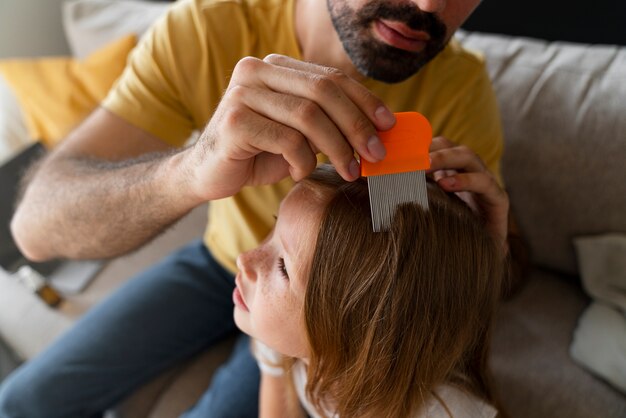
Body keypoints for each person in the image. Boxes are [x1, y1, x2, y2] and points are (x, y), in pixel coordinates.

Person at [0, 0, 513, 417]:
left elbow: (414, 288)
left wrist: (490, 254)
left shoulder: (460, 94)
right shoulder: (206, 30)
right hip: (213, 263)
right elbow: (34, 229)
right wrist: (192, 171)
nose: (429, 4)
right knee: (22, 401)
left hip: (328, 308)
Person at [236, 164, 505, 418]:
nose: (245, 259)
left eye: (283, 267)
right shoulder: (278, 336)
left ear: (360, 324)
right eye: (274, 226)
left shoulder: (444, 413)